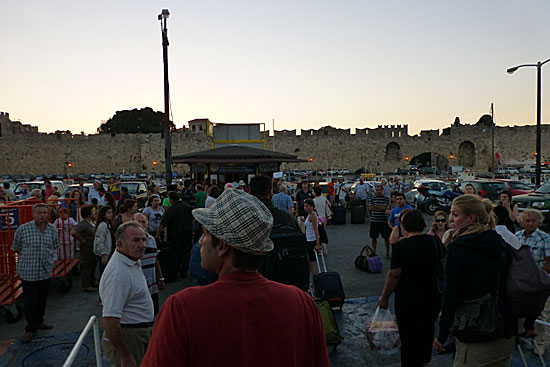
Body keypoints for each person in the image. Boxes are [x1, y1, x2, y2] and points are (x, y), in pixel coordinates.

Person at [141, 188, 330, 367]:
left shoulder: (182, 309)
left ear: (222, 246)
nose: (200, 241)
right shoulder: (301, 303)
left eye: (206, 234)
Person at [433, 195, 514, 366]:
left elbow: (451, 294)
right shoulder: (499, 242)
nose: (450, 220)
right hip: (505, 327)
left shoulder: (459, 248)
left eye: (455, 215)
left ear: (471, 218)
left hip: (476, 330)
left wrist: (442, 333)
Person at [379, 209, 443, 367]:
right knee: (427, 330)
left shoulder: (401, 247)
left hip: (408, 298)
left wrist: (385, 296)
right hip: (432, 294)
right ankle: (425, 360)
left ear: (404, 226)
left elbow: (394, 274)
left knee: (408, 336)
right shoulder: (434, 241)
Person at [99, 221, 154, 367]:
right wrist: (125, 355)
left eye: (143, 239)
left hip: (136, 332)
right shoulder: (119, 273)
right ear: (120, 244)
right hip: (130, 336)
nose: (142, 245)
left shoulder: (130, 260)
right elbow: (109, 320)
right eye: (135, 240)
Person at [11, 203, 59, 343]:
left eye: (44, 212)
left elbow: (55, 247)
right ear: (33, 214)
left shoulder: (52, 230)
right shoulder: (23, 229)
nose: (42, 215)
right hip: (29, 272)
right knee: (30, 301)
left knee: (42, 299)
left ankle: (39, 321)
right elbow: (16, 248)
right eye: (39, 213)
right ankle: (30, 328)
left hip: (44, 271)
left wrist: (51, 262)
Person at [515, 209, 550, 353]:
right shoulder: (517, 236)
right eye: (527, 221)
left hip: (539, 281)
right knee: (521, 312)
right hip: (521, 282)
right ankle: (522, 338)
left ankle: (540, 344)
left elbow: (549, 261)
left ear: (539, 222)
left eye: (533, 221)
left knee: (541, 314)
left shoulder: (545, 238)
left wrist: (540, 278)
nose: (530, 223)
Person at [156, 191, 194, 282]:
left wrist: (157, 235)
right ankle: (184, 272)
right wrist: (192, 231)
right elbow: (193, 220)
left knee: (176, 255)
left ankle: (175, 272)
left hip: (175, 236)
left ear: (171, 199)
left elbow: (163, 223)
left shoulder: (171, 209)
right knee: (185, 254)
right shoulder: (187, 206)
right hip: (187, 234)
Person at [133, 213, 165, 315]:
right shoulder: (129, 243)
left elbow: (155, 259)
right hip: (138, 288)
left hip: (152, 287)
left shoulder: (151, 240)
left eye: (144, 221)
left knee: (154, 314)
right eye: (138, 222)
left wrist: (160, 278)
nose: (142, 224)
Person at [71, 205, 98, 292]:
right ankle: (86, 285)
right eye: (93, 211)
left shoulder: (93, 222)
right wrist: (82, 239)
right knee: (87, 265)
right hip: (87, 247)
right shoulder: (84, 224)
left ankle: (92, 281)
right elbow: (74, 232)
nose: (94, 212)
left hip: (92, 246)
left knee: (92, 264)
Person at [369, 184, 392, 258]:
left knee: (386, 237)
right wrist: (381, 207)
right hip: (374, 220)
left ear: (383, 190)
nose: (378, 191)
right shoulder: (372, 198)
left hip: (384, 221)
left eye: (379, 190)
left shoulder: (387, 198)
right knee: (373, 237)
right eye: (377, 190)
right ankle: (374, 252)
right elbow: (370, 208)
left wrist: (376, 207)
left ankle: (388, 252)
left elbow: (386, 208)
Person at [301, 198, 323, 275]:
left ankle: (315, 275)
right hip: (309, 238)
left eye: (307, 206)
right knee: (311, 259)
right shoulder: (309, 215)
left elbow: (315, 230)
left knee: (312, 260)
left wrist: (317, 243)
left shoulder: (312, 216)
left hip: (312, 239)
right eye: (304, 206)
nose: (305, 208)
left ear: (312, 206)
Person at [94, 205, 115, 277]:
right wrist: (103, 254)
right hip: (103, 253)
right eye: (109, 213)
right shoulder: (103, 225)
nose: (111, 214)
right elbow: (99, 241)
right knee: (104, 273)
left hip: (107, 251)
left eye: (111, 212)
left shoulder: (107, 223)